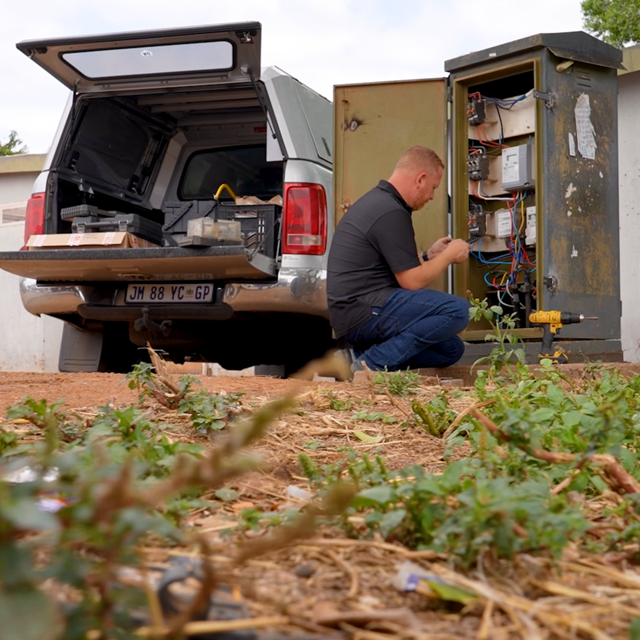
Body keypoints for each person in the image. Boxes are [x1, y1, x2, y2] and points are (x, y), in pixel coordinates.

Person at [327, 145, 471, 372]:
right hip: (363, 311)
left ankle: (355, 356)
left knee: (451, 349)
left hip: (357, 310)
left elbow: (394, 268)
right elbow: (411, 281)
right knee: (458, 311)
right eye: (433, 188)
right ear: (420, 179)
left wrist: (429, 255)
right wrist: (449, 256)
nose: (432, 196)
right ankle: (370, 364)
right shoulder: (390, 211)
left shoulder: (381, 203)